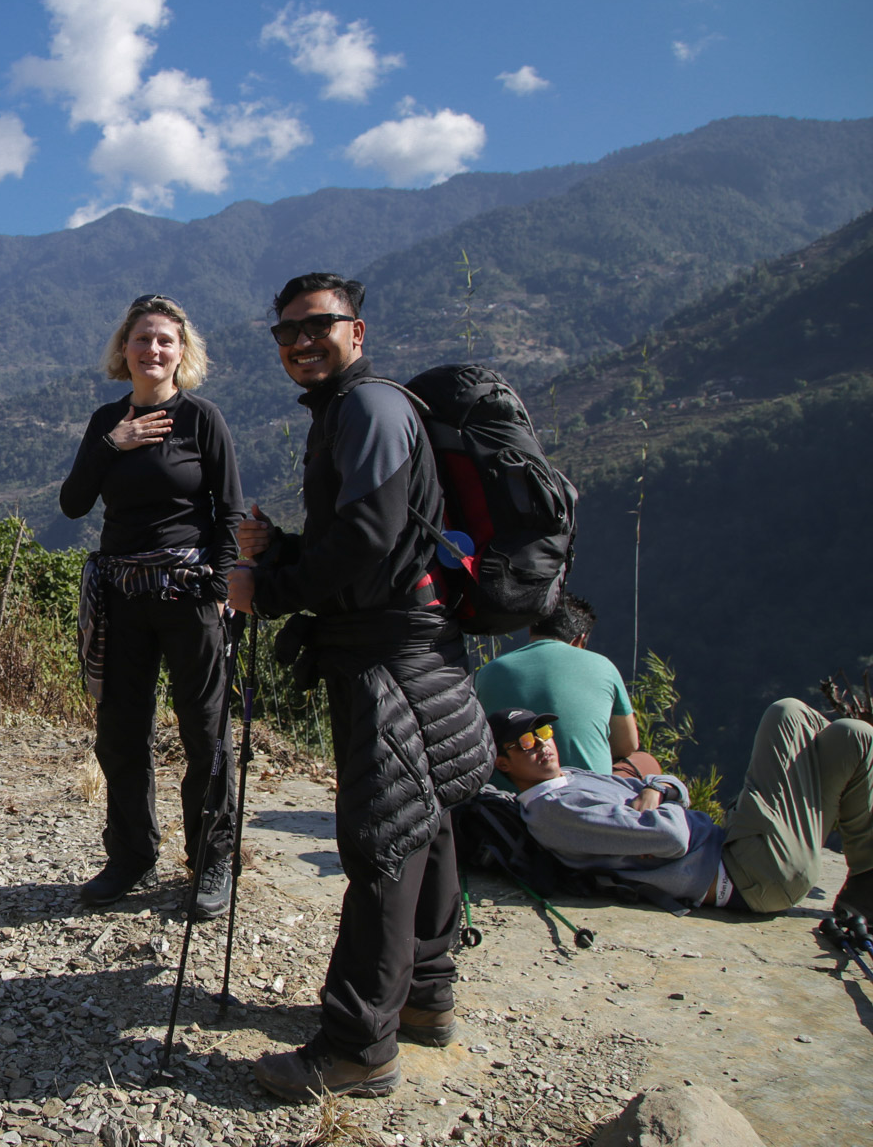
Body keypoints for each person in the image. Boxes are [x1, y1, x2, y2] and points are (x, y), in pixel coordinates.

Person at [225, 273, 493, 1102]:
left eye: (318, 326)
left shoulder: (368, 410)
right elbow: (372, 534)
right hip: (417, 644)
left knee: (381, 842)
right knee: (429, 822)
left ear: (357, 331)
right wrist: (286, 549)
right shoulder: (354, 411)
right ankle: (424, 996)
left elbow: (371, 542)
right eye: (286, 332)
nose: (300, 342)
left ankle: (355, 1047)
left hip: (389, 656)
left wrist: (264, 589)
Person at [59, 294, 244, 918]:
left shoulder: (202, 419)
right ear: (124, 349)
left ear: (181, 351)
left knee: (205, 733)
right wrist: (115, 442)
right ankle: (132, 854)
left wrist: (220, 589)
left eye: (165, 340)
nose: (153, 350)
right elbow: (73, 503)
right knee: (121, 734)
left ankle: (211, 857)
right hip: (120, 598)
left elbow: (230, 512)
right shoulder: (106, 422)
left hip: (190, 597)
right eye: (142, 339)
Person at [490, 702, 873, 921]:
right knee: (785, 714)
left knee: (853, 735)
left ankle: (867, 880)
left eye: (543, 734)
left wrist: (656, 794)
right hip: (747, 877)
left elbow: (670, 785)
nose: (542, 745)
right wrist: (657, 797)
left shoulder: (571, 777)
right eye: (525, 741)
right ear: (504, 764)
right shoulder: (553, 812)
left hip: (735, 844)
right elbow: (672, 838)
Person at [476, 595, 647, 789]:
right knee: (645, 761)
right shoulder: (603, 666)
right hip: (589, 792)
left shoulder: (489, 672)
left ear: (531, 629)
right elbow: (627, 745)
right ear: (579, 639)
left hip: (506, 798)